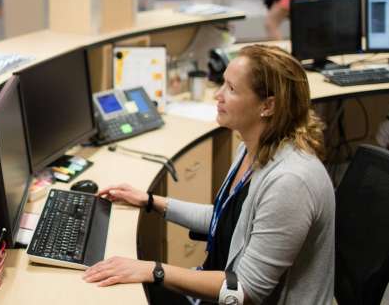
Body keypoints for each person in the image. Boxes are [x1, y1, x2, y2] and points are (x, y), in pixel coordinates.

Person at [85, 45, 334, 304]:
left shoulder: (291, 182)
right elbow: (225, 219)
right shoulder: (251, 149)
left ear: (268, 106)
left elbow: (247, 290)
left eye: (232, 89)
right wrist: (150, 201)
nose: (218, 95)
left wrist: (153, 270)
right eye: (222, 84)